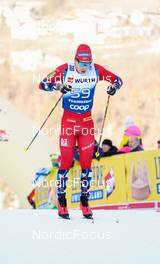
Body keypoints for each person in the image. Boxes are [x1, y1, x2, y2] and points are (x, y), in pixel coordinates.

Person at [39, 43, 123, 219]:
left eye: (88, 64)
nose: (85, 68)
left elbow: (118, 80)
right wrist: (58, 87)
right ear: (75, 60)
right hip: (68, 123)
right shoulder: (66, 69)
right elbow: (43, 84)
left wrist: (114, 87)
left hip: (86, 124)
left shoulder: (96, 70)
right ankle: (62, 202)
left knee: (87, 164)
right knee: (66, 162)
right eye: (82, 64)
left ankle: (84, 202)